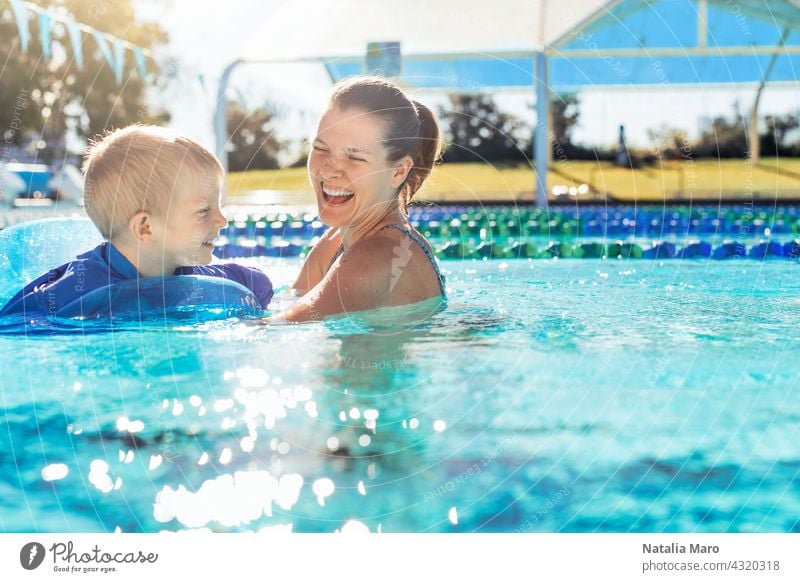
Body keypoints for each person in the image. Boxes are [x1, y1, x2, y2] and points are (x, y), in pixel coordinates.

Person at [0, 125, 273, 318]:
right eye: (203, 211)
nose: (222, 220)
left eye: (219, 205)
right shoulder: (75, 294)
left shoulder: (186, 271)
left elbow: (257, 283)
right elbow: (15, 326)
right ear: (145, 228)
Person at [272, 76, 446, 322]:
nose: (329, 170)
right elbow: (285, 305)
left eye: (355, 158)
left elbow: (272, 329)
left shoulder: (379, 256)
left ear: (398, 171)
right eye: (321, 148)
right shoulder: (333, 243)